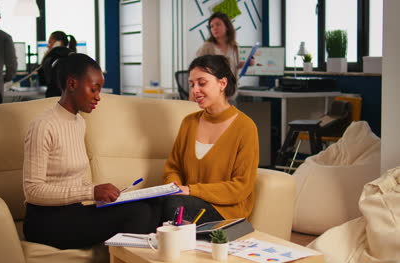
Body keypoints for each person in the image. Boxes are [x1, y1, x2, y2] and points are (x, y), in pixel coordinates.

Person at [23, 53, 157, 249]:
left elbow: (72, 178)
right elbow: (33, 191)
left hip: (73, 212)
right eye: (94, 89)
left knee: (152, 206)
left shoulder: (78, 122)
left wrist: (103, 190)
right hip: (46, 221)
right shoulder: (43, 126)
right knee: (138, 214)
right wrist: (91, 191)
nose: (98, 97)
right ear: (72, 84)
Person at [160, 55, 259, 225]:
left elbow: (240, 187)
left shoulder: (246, 127)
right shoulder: (189, 123)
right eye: (192, 85)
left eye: (201, 83)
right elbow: (173, 168)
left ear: (222, 83)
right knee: (142, 208)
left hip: (226, 211)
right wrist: (174, 187)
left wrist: (190, 190)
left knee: (174, 205)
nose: (194, 90)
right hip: (186, 200)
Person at [194, 12, 253, 102]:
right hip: (213, 96)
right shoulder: (207, 47)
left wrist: (247, 63)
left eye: (218, 24)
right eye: (212, 26)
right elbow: (197, 69)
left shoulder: (234, 47)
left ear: (227, 27)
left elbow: (234, 65)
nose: (214, 28)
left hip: (231, 93)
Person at [38, 31, 78, 98]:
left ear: (58, 43)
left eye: (50, 42)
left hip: (54, 98)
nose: (48, 45)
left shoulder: (54, 58)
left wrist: (46, 57)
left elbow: (43, 80)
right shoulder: (71, 55)